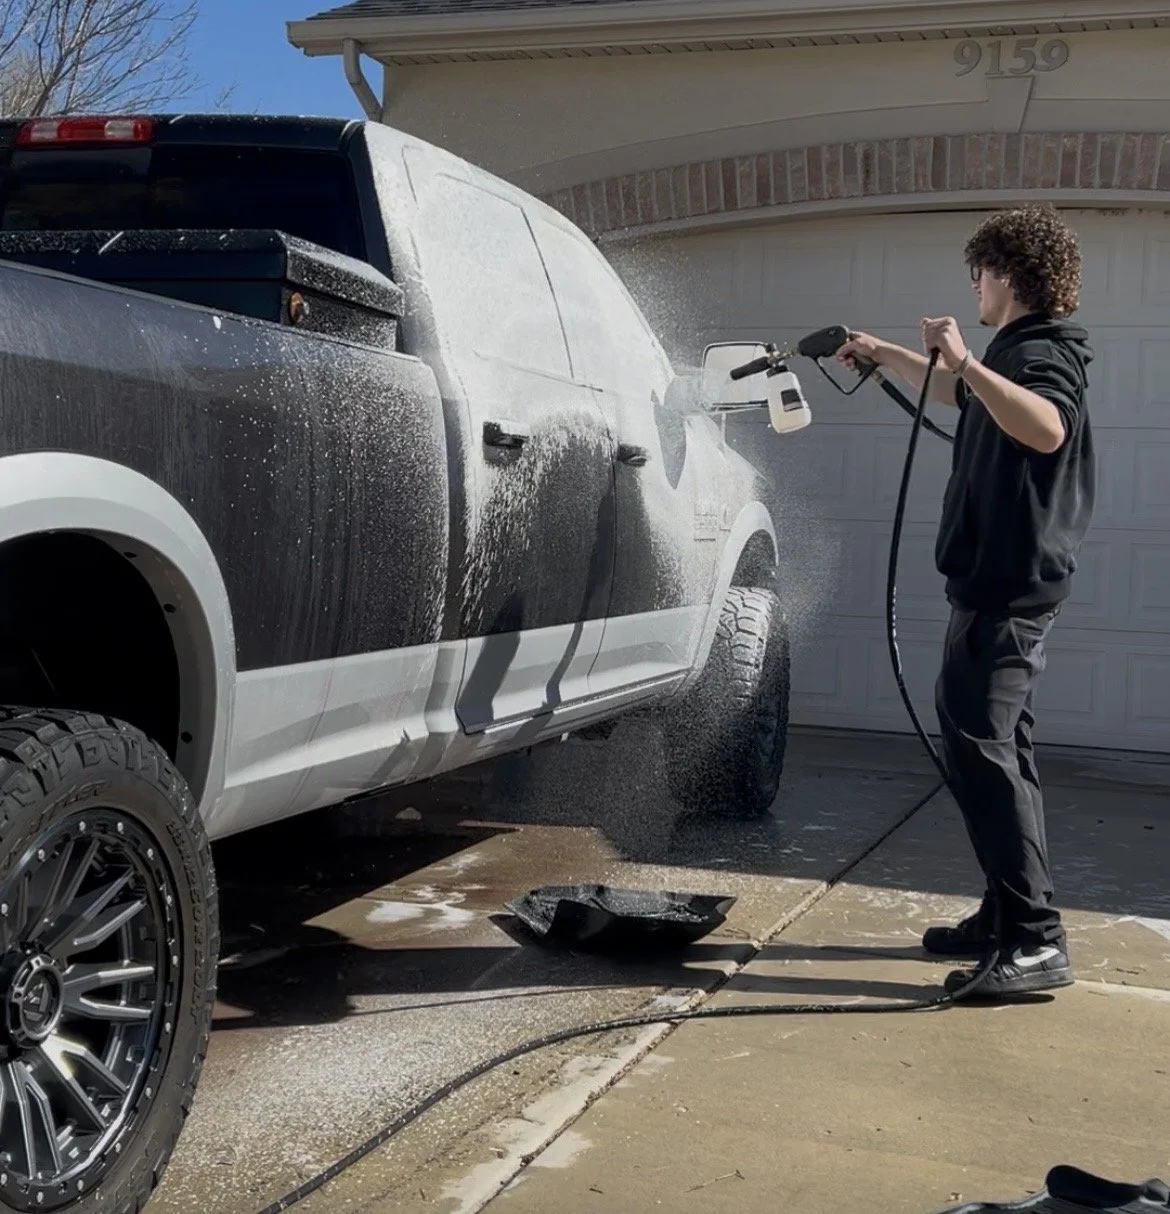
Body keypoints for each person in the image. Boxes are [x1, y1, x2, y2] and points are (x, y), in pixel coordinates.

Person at [836, 205, 1094, 998]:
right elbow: (960, 396)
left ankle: (1036, 941)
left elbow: (1047, 427)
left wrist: (972, 364)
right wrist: (882, 354)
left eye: (979, 274)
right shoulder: (1012, 354)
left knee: (983, 752)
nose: (974, 289)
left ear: (1006, 276)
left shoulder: (1043, 352)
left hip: (1010, 590)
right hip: (992, 584)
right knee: (996, 750)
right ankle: (1006, 913)